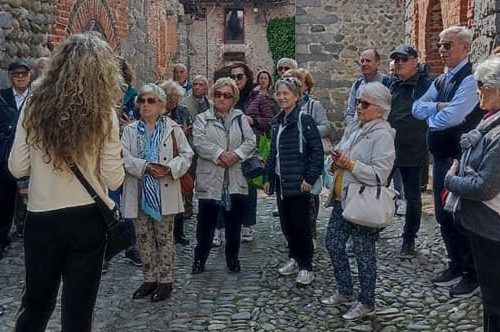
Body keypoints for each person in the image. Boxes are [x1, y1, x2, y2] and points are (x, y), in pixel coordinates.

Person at [8, 33, 125, 331]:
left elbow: (16, 165)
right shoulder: (104, 111)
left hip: (41, 217)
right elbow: (114, 178)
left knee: (35, 306)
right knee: (78, 312)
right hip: (86, 219)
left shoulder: (34, 101)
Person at [412, 26, 482, 297]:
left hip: (460, 159)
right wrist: (438, 109)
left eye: (447, 46)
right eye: (440, 45)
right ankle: (456, 264)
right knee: (443, 215)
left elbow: (450, 119)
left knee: (459, 215)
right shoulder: (442, 80)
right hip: (440, 159)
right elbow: (417, 108)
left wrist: (436, 114)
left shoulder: (469, 78)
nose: (441, 51)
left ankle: (472, 273)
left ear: (465, 47)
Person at [321, 82, 395, 320]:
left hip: (364, 203)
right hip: (344, 198)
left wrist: (350, 164)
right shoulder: (356, 128)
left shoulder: (382, 135)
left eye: (364, 103)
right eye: (358, 102)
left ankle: (367, 301)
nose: (359, 107)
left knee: (364, 253)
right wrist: (335, 161)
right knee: (333, 243)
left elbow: (379, 175)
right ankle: (345, 290)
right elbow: (340, 156)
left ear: (380, 109)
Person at [121, 83, 193, 302]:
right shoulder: (130, 130)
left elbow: (187, 154)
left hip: (165, 189)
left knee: (164, 238)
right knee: (143, 238)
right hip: (139, 189)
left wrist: (170, 168)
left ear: (161, 104)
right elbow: (122, 156)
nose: (145, 105)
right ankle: (149, 278)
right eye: (142, 100)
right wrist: (144, 166)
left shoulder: (172, 128)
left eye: (150, 100)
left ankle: (166, 281)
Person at [444, 54, 500, 331]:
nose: (477, 90)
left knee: (494, 300)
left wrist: (451, 180)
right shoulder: (489, 122)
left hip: (493, 227)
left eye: (481, 85)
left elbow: (484, 186)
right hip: (486, 226)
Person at [191, 77, 256, 274]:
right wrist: (219, 154)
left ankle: (233, 259)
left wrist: (236, 155)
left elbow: (251, 141)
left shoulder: (240, 118)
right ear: (212, 96)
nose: (221, 99)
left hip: (234, 179)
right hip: (211, 178)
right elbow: (199, 142)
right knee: (205, 225)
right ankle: (199, 260)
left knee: (234, 224)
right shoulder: (203, 118)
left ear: (233, 98)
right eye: (218, 94)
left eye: (227, 95)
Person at [263, 77, 323, 286]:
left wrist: (309, 178)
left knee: (301, 225)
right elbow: (274, 153)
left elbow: (317, 151)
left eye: (285, 93)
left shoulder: (303, 120)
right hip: (282, 181)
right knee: (287, 224)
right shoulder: (278, 122)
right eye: (278, 93)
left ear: (296, 97)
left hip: (299, 183)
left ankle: (306, 266)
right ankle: (294, 257)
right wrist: (269, 177)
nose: (281, 97)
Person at [388, 44, 434, 257]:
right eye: (396, 60)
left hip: (414, 147)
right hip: (389, 147)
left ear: (415, 61)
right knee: (375, 186)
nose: (399, 63)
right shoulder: (392, 85)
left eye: (403, 59)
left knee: (413, 195)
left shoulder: (427, 85)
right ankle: (368, 227)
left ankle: (409, 238)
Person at [283, 68, 331, 245]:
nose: (296, 84)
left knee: (311, 195)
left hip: (309, 156)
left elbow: (326, 126)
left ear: (306, 86)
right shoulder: (286, 106)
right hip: (291, 158)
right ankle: (294, 233)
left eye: (299, 82)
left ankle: (310, 231)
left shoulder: (313, 105)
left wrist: (306, 131)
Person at [230, 63, 273, 243]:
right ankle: (230, 223)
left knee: (248, 187)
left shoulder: (257, 97)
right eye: (233, 77)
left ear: (247, 77)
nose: (236, 80)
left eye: (239, 76)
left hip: (250, 148)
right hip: (229, 147)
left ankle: (247, 225)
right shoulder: (226, 95)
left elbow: (271, 121)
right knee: (229, 187)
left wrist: (253, 120)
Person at [0, 59, 31, 260]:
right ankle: (2, 240)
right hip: (4, 158)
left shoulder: (36, 98)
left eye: (23, 74)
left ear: (29, 75)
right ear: (11, 76)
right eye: (16, 74)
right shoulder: (2, 97)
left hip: (27, 159)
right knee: (3, 201)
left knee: (31, 202)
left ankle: (30, 238)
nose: (20, 77)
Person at [159, 79, 194, 245]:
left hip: (178, 157)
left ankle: (179, 233)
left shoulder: (183, 110)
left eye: (175, 99)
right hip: (162, 159)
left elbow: (191, 127)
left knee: (179, 199)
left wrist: (184, 130)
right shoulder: (157, 113)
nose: (172, 102)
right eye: (169, 98)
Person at [344, 48, 392, 125]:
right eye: (362, 61)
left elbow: (392, 112)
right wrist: (354, 127)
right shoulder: (357, 85)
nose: (364, 64)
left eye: (368, 61)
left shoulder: (388, 84)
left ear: (377, 63)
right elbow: (350, 112)